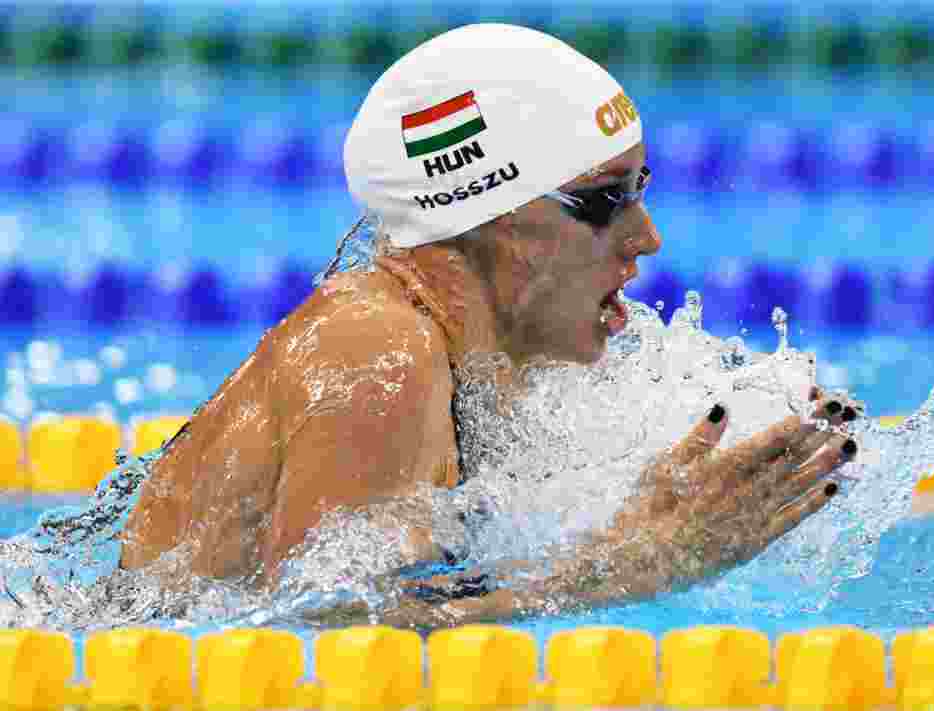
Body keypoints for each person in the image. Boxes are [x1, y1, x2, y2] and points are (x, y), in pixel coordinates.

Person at [118, 24, 860, 627]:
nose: (646, 235)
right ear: (483, 221)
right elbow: (326, 636)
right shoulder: (378, 350)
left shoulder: (481, 370)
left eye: (642, 189)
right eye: (604, 201)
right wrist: (636, 561)